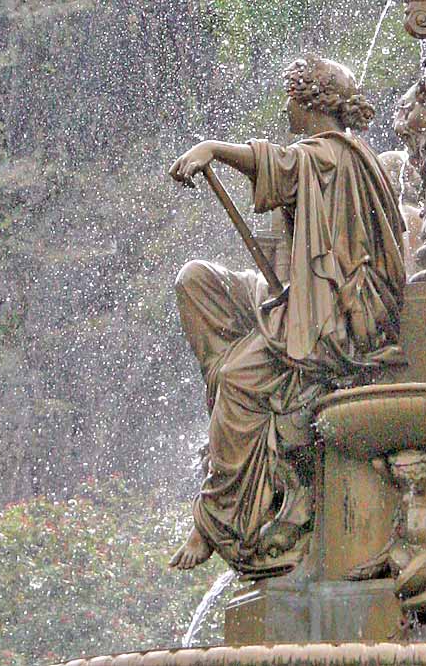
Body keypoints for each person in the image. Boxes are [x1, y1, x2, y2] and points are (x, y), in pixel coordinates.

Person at [166, 55, 407, 576]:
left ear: (310, 103)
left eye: (292, 100)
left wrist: (213, 149)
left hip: (334, 323)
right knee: (197, 281)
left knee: (237, 378)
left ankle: (216, 520)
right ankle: (232, 407)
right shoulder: (331, 158)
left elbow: (278, 163)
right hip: (300, 300)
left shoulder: (335, 156)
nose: (286, 110)